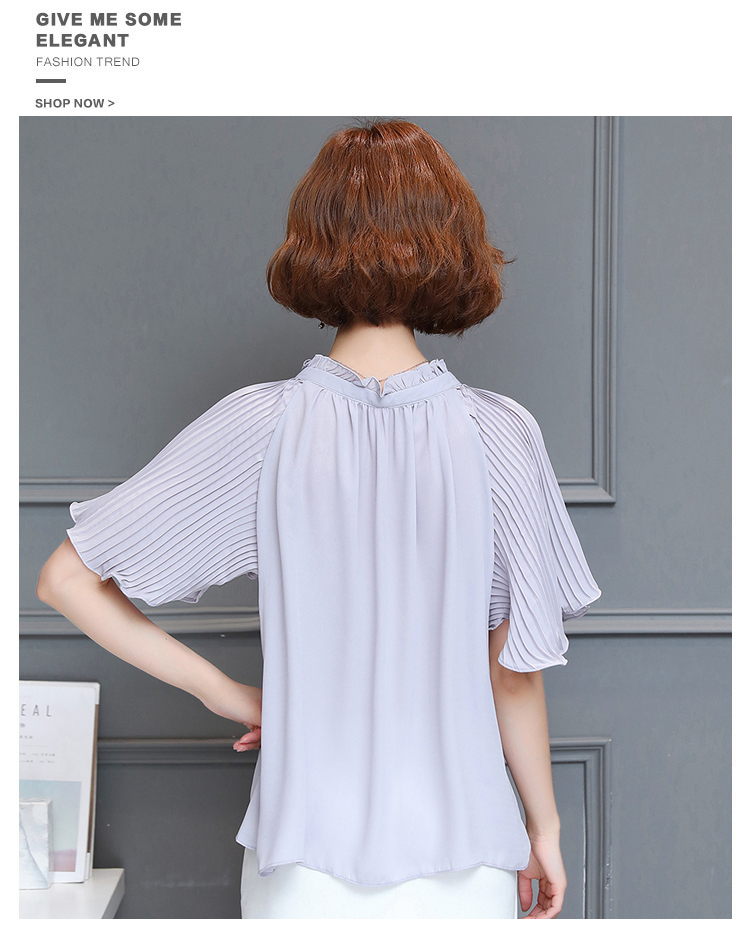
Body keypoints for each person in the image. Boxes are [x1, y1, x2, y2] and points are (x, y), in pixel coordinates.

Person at [36, 118, 602, 919]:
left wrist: (227, 693)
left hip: (301, 866)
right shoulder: (502, 434)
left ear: (316, 241)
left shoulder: (261, 425)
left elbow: (64, 580)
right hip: (468, 858)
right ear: (450, 242)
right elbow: (513, 672)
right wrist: (544, 828)